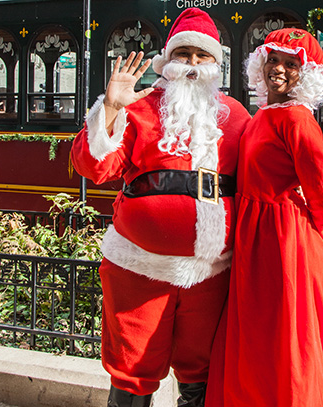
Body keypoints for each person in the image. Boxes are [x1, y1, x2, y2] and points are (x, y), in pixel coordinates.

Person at [69, 8, 250, 407]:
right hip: (138, 271)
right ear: (166, 61)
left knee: (201, 371)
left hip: (210, 274)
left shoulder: (236, 116)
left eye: (202, 56)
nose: (192, 64)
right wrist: (111, 109)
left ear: (216, 64)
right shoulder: (139, 107)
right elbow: (93, 167)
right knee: (133, 372)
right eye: (183, 53)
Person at [206, 28, 323, 407]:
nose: (278, 69)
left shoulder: (297, 119)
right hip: (260, 237)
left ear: (306, 72)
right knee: (260, 335)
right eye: (274, 60)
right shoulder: (268, 113)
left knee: (281, 337)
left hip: (282, 242)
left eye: (291, 63)